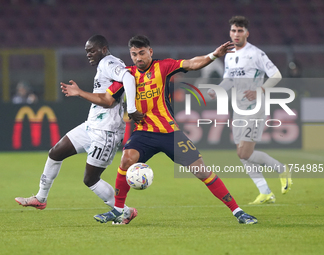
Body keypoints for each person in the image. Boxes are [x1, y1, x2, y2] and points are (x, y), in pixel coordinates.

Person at [94, 35, 258, 225]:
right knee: (126, 159)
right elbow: (107, 98)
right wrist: (80, 93)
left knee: (201, 171)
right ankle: (119, 210)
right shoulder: (126, 75)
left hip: (169, 132)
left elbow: (192, 63)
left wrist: (214, 55)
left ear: (150, 52)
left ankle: (238, 212)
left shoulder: (163, 67)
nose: (138, 58)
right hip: (144, 133)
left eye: (142, 53)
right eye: (134, 54)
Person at [15, 35, 143, 223]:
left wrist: (131, 108)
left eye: (92, 50)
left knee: (90, 179)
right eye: (87, 52)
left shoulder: (109, 63)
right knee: (55, 153)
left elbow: (128, 78)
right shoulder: (105, 65)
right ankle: (40, 198)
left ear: (104, 49)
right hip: (92, 125)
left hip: (106, 132)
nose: (89, 55)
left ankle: (125, 211)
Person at [207, 16, 292, 205]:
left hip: (255, 108)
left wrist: (260, 90)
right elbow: (229, 79)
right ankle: (265, 192)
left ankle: (281, 169)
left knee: (244, 153)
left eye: (240, 31)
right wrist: (218, 89)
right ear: (229, 33)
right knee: (241, 153)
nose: (236, 34)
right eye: (233, 31)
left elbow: (276, 74)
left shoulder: (256, 54)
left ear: (247, 33)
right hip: (238, 109)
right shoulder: (229, 55)